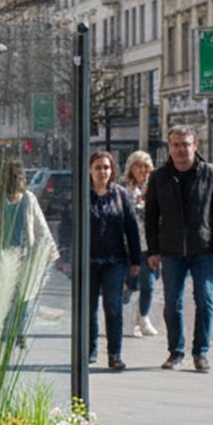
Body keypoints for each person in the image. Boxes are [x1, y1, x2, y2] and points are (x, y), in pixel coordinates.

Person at [145, 125, 213, 373]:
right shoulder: (159, 177)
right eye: (175, 145)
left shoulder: (210, 174)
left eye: (185, 144)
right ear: (169, 148)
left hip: (203, 247)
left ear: (195, 145)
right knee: (172, 303)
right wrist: (153, 250)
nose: (181, 149)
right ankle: (176, 352)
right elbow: (152, 216)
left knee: (204, 299)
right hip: (171, 250)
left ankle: (201, 352)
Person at [85, 150, 141, 372]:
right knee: (88, 308)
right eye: (98, 167)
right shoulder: (83, 194)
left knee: (113, 307)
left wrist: (136, 260)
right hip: (87, 260)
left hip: (115, 261)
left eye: (106, 168)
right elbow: (69, 224)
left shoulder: (120, 195)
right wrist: (66, 256)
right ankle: (89, 350)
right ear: (90, 170)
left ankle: (114, 354)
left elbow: (132, 229)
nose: (102, 172)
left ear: (112, 170)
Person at [0, 158, 57, 346]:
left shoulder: (28, 199)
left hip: (24, 255)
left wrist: (50, 252)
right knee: (7, 295)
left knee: (25, 296)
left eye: (18, 174)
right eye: (12, 174)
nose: (16, 178)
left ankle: (20, 332)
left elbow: (40, 226)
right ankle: (7, 330)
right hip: (4, 256)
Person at [122, 150, 159, 337]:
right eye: (138, 165)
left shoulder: (154, 188)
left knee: (149, 285)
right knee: (130, 285)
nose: (142, 170)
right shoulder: (124, 190)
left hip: (149, 246)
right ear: (131, 168)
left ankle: (143, 319)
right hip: (130, 246)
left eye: (146, 166)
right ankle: (124, 316)